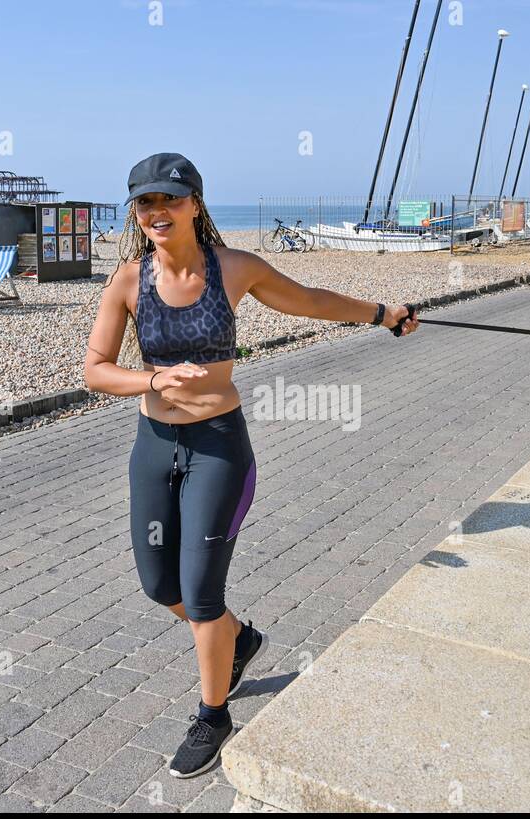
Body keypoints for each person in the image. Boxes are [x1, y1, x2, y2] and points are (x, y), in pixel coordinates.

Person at [82, 153, 419, 779]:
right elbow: (95, 368)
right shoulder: (128, 280)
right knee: (163, 587)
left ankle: (214, 714)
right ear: (135, 211)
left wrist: (381, 313)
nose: (158, 212)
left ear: (196, 204)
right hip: (154, 445)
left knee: (202, 595)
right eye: (146, 202)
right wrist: (151, 377)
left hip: (218, 447)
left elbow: (309, 300)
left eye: (170, 200)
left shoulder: (231, 269)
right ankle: (238, 641)